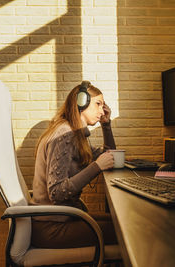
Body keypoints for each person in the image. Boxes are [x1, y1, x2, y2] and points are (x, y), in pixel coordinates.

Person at [30, 81, 118, 249]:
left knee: (121, 220)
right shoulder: (65, 134)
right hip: (52, 229)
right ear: (81, 102)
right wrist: (97, 167)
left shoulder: (75, 135)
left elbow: (110, 157)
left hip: (63, 220)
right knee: (125, 230)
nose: (102, 110)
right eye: (98, 104)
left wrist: (106, 126)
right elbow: (56, 192)